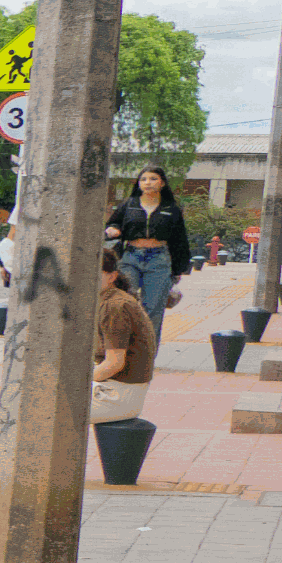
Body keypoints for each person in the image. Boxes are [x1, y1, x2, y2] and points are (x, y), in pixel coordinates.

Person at [105, 167, 191, 346]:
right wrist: (112, 229)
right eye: (143, 179)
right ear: (138, 183)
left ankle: (146, 354)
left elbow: (179, 239)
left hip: (159, 260)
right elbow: (113, 222)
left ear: (162, 183)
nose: (148, 182)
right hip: (130, 258)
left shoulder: (171, 208)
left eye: (153, 179)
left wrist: (178, 269)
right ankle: (121, 350)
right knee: (124, 303)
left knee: (153, 309)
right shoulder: (129, 204)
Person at [94, 247, 156, 423]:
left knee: (47, 407)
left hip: (119, 395)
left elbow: (114, 363)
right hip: (119, 389)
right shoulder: (111, 299)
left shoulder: (114, 306)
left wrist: (80, 383)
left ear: (112, 277)